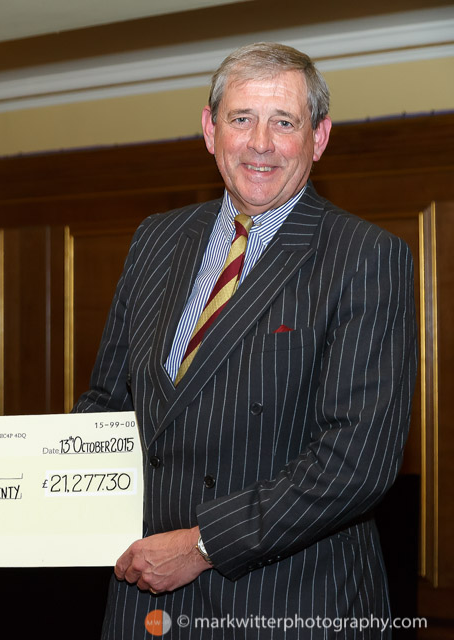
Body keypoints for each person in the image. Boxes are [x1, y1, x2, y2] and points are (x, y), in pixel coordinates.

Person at [74, 42, 416, 638]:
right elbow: (105, 411)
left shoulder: (365, 256)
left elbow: (358, 461)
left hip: (289, 605)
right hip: (145, 603)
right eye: (241, 119)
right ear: (210, 130)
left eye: (284, 122)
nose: (261, 143)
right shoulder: (155, 240)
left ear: (320, 137)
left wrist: (205, 545)